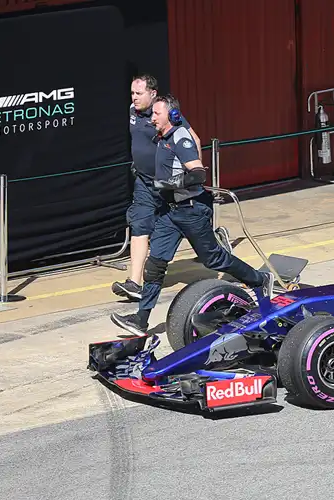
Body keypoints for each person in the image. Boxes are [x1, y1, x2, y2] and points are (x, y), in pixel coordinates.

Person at [111, 94, 272, 336]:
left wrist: (170, 182)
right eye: (152, 113)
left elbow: (198, 174)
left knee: (214, 259)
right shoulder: (161, 137)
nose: (152, 118)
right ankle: (141, 320)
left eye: (157, 113)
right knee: (155, 265)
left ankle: (259, 279)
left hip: (191, 210)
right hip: (170, 213)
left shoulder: (180, 138)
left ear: (172, 116)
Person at [112, 74, 202, 301]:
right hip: (144, 181)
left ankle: (217, 252)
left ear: (153, 94)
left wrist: (194, 177)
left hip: (168, 184)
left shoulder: (166, 115)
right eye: (132, 93)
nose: (134, 98)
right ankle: (134, 283)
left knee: (190, 230)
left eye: (139, 93)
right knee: (140, 224)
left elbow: (194, 140)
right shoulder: (132, 111)